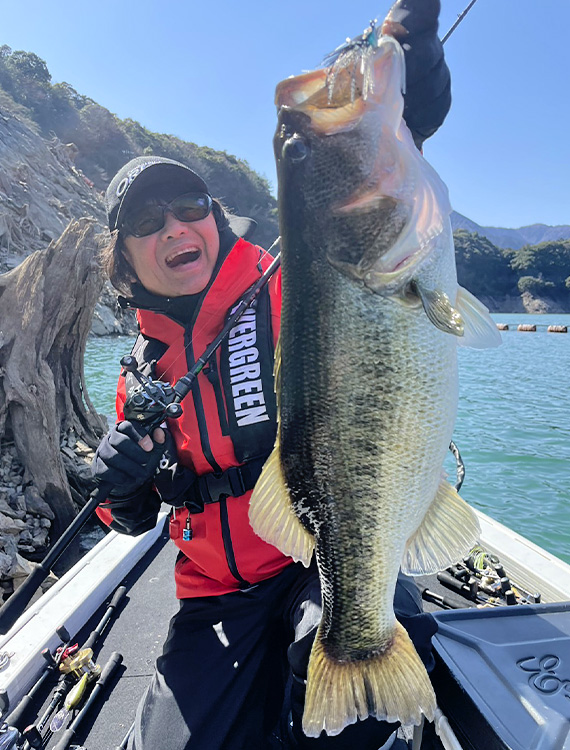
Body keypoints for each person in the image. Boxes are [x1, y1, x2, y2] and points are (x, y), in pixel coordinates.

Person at [93, 2, 451, 748]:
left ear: (215, 216)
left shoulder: (291, 287)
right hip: (215, 597)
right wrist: (120, 486)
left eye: (188, 206)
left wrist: (412, 88)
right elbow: (130, 519)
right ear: (123, 257)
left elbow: (361, 208)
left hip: (314, 562)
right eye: (147, 223)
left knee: (360, 704)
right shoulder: (140, 374)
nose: (175, 227)